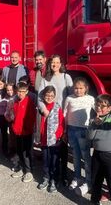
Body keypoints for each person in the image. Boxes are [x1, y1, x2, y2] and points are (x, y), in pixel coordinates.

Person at [38, 54, 73, 186]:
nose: (55, 65)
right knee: (49, 150)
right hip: (48, 117)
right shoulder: (45, 79)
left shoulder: (66, 77)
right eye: (53, 62)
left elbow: (72, 96)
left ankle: (63, 175)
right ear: (49, 64)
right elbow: (40, 97)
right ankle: (50, 176)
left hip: (62, 116)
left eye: (57, 62)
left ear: (61, 64)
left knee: (62, 149)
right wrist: (44, 110)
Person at [63, 77, 94, 196]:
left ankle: (88, 180)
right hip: (71, 129)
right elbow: (65, 114)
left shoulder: (90, 98)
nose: (78, 90)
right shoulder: (69, 98)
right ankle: (77, 177)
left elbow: (98, 111)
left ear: (86, 88)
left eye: (81, 88)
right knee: (75, 155)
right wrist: (65, 131)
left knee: (86, 157)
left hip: (84, 131)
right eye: (76, 88)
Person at [37, 86, 65, 193]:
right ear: (43, 96)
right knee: (45, 161)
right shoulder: (40, 108)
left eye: (51, 96)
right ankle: (46, 178)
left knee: (54, 162)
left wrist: (57, 135)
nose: (49, 97)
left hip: (54, 140)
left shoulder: (57, 107)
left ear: (54, 96)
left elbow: (61, 124)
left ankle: (54, 179)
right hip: (44, 140)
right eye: (47, 95)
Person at [9, 82, 36, 183]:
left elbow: (32, 118)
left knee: (27, 152)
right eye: (18, 91)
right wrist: (13, 126)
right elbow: (15, 117)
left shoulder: (29, 102)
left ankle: (29, 171)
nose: (20, 93)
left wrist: (27, 129)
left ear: (27, 92)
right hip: (17, 132)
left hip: (26, 132)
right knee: (19, 150)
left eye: (22, 92)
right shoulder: (16, 102)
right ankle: (21, 168)